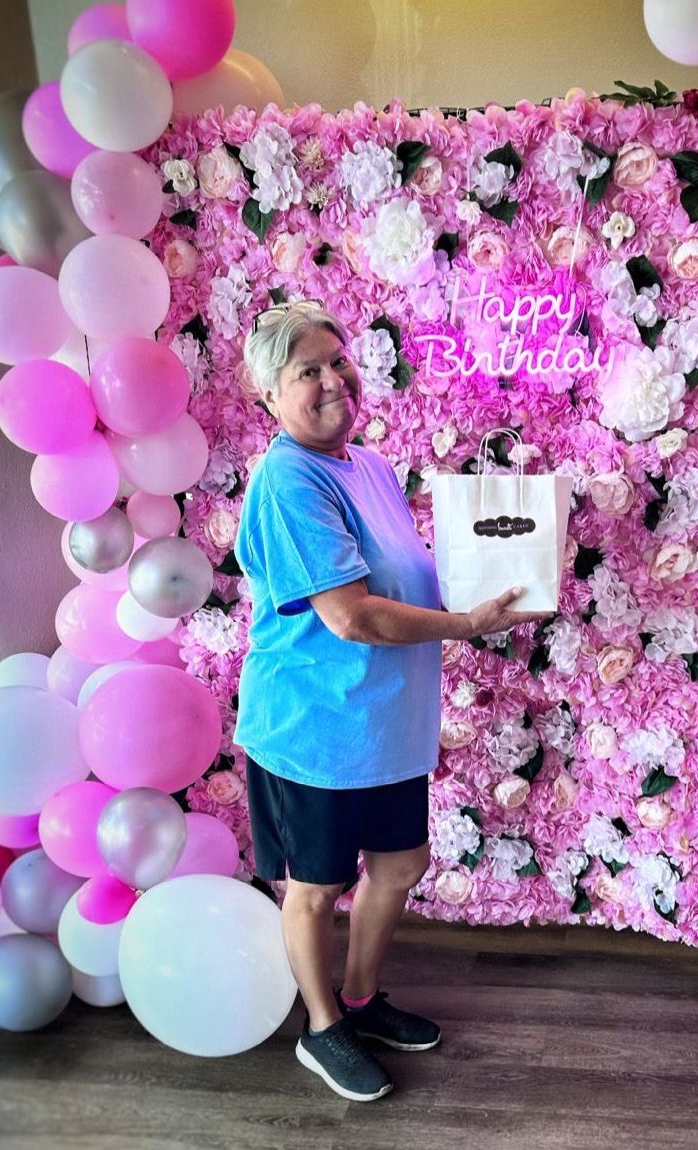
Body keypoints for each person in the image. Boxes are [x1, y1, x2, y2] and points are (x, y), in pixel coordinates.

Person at [234, 301, 548, 1102]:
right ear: (270, 395)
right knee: (315, 888)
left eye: (339, 360)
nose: (334, 379)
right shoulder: (287, 480)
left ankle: (360, 1001)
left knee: (401, 865)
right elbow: (353, 616)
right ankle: (321, 1029)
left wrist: (513, 563)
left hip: (384, 724)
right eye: (308, 371)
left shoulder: (367, 466)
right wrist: (467, 625)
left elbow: (406, 578)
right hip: (315, 728)